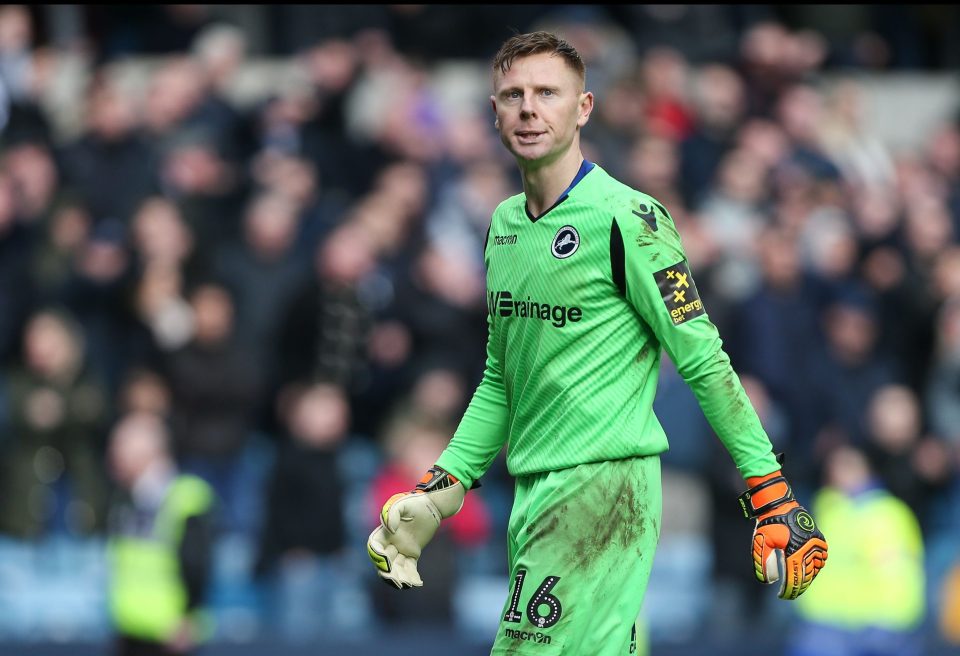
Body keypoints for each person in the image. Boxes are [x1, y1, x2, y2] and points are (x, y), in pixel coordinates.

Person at [367, 31, 828, 654]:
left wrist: (769, 491)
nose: (529, 109)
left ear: (583, 108)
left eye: (547, 94)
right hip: (532, 495)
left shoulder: (630, 220)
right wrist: (440, 490)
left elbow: (705, 361)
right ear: (495, 112)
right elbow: (503, 378)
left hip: (602, 492)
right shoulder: (503, 227)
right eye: (513, 95)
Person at [106, 411, 217, 656]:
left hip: (172, 634)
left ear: (147, 452)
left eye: (120, 446)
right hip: (130, 628)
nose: (113, 455)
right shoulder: (126, 497)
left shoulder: (187, 496)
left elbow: (197, 564)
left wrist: (190, 617)